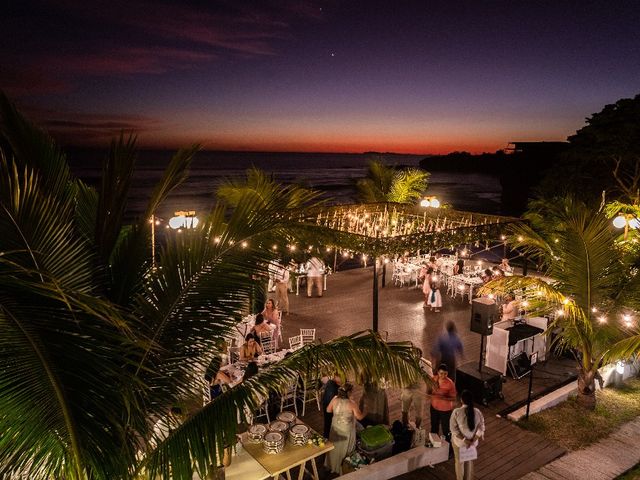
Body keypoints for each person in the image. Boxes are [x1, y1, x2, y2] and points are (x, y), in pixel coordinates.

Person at [324, 383, 365, 475]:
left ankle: (331, 466)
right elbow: (359, 417)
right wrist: (366, 411)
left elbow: (328, 410)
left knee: (334, 448)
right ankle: (343, 468)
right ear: (349, 392)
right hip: (346, 431)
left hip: (335, 429)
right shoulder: (351, 404)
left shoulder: (335, 399)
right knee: (345, 450)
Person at [450, 390, 485, 480]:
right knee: (468, 461)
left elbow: (454, 430)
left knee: (459, 463)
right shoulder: (477, 412)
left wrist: (465, 440)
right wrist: (473, 440)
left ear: (461, 400)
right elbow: (481, 428)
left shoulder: (457, 412)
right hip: (472, 444)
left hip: (459, 443)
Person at [429, 364, 457, 446]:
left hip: (445, 410)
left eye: (445, 374)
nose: (443, 376)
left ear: (447, 373)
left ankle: (449, 448)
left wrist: (443, 398)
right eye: (441, 373)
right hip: (434, 407)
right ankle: (433, 443)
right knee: (434, 426)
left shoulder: (450, 383)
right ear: (438, 373)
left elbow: (453, 398)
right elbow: (430, 391)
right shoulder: (433, 379)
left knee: (446, 429)